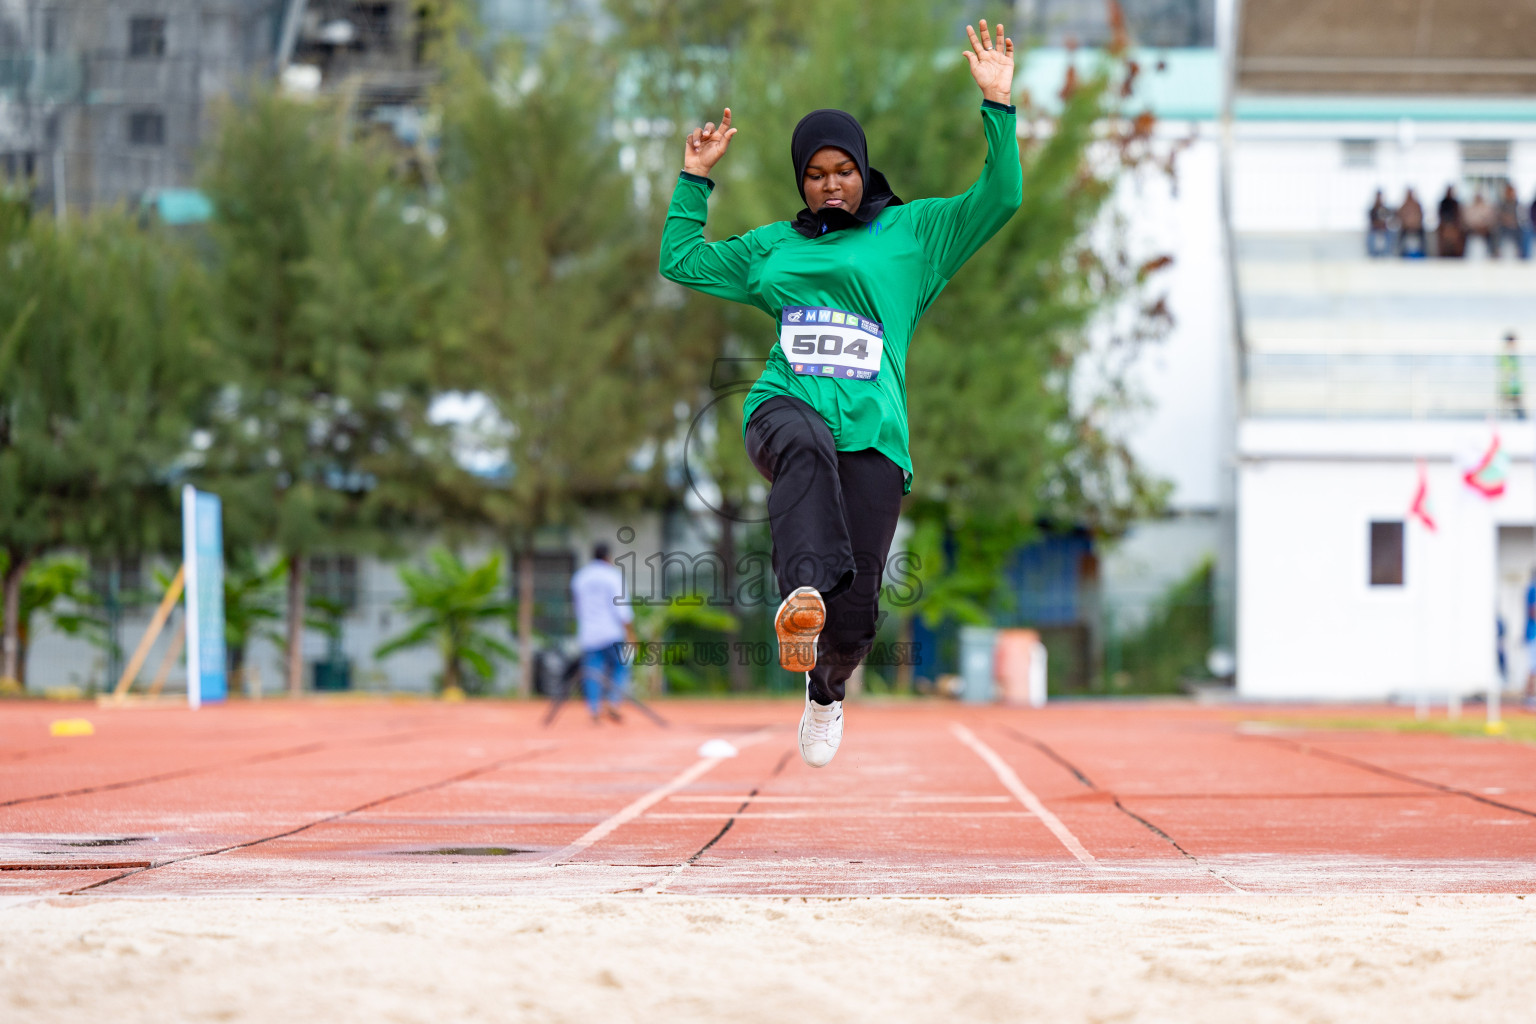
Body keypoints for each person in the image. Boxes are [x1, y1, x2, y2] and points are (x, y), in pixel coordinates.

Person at [659, 19, 1022, 767]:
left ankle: (825, 689)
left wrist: (998, 106)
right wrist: (695, 179)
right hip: (782, 406)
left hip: (875, 436)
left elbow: (1001, 198)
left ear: (864, 170)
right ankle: (800, 599)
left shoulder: (915, 234)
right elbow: (681, 259)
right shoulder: (774, 247)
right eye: (816, 174)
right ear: (803, 181)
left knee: (855, 620)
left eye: (843, 171)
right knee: (804, 443)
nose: (831, 185)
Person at [570, 542, 636, 724]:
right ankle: (613, 701)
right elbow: (622, 608)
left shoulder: (580, 577)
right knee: (621, 667)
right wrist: (630, 633)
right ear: (608, 557)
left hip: (589, 633)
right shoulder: (612, 576)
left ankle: (594, 709)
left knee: (592, 672)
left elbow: (577, 607)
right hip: (611, 632)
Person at [1495, 182, 1528, 259]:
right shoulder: (1501, 204)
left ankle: (1522, 254)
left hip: (1516, 226)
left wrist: (1513, 221)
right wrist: (1506, 219)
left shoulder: (1519, 204)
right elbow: (1498, 216)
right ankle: (1496, 251)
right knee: (1496, 230)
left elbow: (1523, 218)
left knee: (1525, 231)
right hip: (1503, 226)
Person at [1499, 332, 1525, 420]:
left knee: (1518, 410)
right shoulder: (1505, 355)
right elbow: (1505, 370)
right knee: (1506, 410)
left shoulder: (1513, 354)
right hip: (1508, 386)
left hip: (1514, 385)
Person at [1464, 191, 1495, 258]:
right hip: (1473, 231)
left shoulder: (1487, 208)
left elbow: (1490, 220)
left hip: (1485, 232)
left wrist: (1483, 227)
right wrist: (1476, 227)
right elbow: (1468, 221)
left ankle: (1490, 255)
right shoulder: (1469, 208)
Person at [1396, 188, 1425, 257]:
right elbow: (1400, 217)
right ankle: (1401, 255)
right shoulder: (1403, 206)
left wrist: (1414, 225)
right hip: (1406, 229)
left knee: (1422, 238)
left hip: (1417, 229)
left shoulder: (1417, 205)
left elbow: (1420, 217)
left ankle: (1423, 254)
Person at [1436, 186, 1464, 258]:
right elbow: (1440, 215)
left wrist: (1453, 225)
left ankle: (1458, 255)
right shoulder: (1443, 203)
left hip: (1454, 225)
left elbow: (1458, 216)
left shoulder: (1455, 203)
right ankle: (1442, 254)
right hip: (1444, 225)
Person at [1366, 190, 1393, 257]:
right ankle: (1372, 254)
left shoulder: (1386, 209)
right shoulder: (1372, 210)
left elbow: (1389, 221)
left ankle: (1387, 254)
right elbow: (1372, 222)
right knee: (1371, 236)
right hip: (1374, 230)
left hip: (1385, 231)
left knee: (1390, 234)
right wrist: (1379, 224)